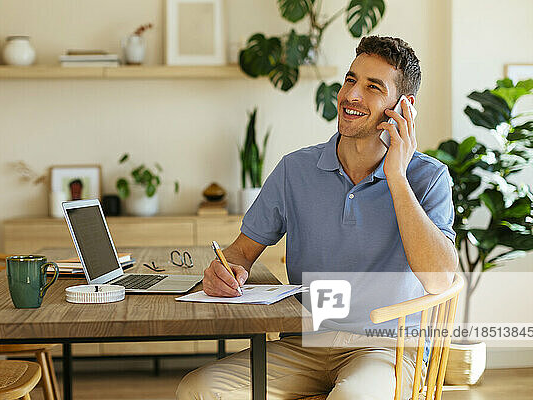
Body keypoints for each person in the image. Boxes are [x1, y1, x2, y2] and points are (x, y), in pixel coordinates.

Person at [177, 36, 457, 400]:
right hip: (305, 343)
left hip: (386, 349)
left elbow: (439, 279)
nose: (352, 95)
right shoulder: (296, 168)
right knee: (197, 390)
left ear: (403, 106)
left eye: (373, 87)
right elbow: (240, 254)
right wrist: (222, 271)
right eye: (351, 80)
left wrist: (397, 177)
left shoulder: (428, 177)